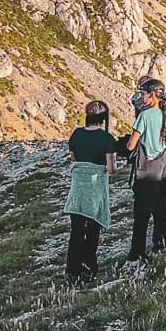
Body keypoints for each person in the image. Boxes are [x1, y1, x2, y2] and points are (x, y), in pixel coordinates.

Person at [65, 99, 136, 282]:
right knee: (93, 227)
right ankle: (89, 267)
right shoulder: (107, 139)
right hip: (95, 187)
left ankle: (72, 270)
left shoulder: (77, 134)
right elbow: (111, 168)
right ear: (103, 118)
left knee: (76, 230)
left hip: (78, 187)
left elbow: (73, 157)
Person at [126, 77, 166, 265]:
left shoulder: (145, 115)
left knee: (141, 210)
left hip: (147, 164)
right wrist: (164, 144)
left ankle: (137, 252)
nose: (142, 97)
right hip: (163, 162)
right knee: (160, 205)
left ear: (151, 95)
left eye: (143, 94)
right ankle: (160, 244)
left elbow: (131, 144)